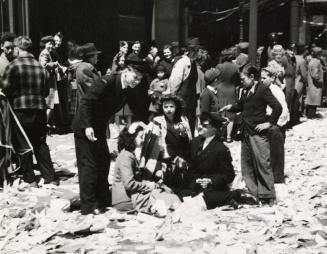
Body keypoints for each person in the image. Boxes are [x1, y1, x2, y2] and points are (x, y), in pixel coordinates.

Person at [71, 59, 147, 215]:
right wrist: (87, 126)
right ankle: (89, 206)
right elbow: (87, 102)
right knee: (89, 165)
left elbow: (136, 106)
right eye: (135, 77)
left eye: (140, 79)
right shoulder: (108, 81)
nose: (137, 82)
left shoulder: (128, 88)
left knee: (103, 161)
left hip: (98, 126)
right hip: (85, 125)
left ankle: (103, 198)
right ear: (127, 70)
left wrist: (146, 123)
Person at [220, 64, 282, 206]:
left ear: (252, 77)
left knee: (262, 163)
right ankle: (254, 193)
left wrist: (269, 123)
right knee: (247, 164)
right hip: (246, 132)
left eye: (243, 78)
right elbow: (241, 106)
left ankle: (268, 195)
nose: (241, 81)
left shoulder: (262, 89)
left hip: (257, 133)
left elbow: (277, 107)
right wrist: (231, 107)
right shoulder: (245, 90)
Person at [1, 36, 57, 187]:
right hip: (39, 109)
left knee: (23, 144)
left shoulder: (13, 66)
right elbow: (46, 91)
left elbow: (5, 89)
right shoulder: (40, 67)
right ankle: (50, 177)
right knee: (40, 143)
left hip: (20, 109)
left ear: (17, 49)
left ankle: (30, 179)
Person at [112, 122, 181, 212]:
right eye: (141, 137)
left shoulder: (129, 154)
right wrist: (148, 186)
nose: (143, 139)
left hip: (130, 196)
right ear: (132, 138)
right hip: (126, 199)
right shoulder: (126, 156)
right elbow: (129, 184)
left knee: (165, 191)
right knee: (169, 198)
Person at [179, 112, 242, 210]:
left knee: (206, 199)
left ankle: (234, 195)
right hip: (194, 186)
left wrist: (211, 181)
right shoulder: (195, 142)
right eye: (199, 124)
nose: (199, 127)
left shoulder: (220, 148)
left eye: (204, 125)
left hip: (211, 188)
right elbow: (189, 162)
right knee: (181, 195)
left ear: (214, 129)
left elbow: (229, 175)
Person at [145, 95, 192, 193]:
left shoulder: (183, 119)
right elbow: (150, 141)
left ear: (177, 106)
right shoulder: (157, 121)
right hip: (163, 157)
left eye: (171, 106)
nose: (168, 110)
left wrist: (183, 134)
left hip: (180, 155)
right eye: (165, 107)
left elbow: (188, 141)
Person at [261, 67, 289, 183]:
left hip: (276, 124)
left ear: (272, 78)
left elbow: (283, 110)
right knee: (271, 151)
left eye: (264, 78)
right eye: (261, 78)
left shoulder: (276, 91)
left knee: (277, 152)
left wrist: (276, 124)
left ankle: (277, 178)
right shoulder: (267, 89)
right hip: (272, 123)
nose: (262, 80)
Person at [168, 45, 198, 135]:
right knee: (181, 127)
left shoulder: (192, 62)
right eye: (195, 51)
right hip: (181, 101)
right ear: (188, 52)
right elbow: (174, 82)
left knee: (188, 127)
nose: (197, 53)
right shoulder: (183, 62)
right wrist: (172, 98)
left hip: (189, 101)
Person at [216, 50, 240, 142]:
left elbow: (216, 78)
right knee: (231, 114)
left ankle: (221, 135)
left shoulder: (219, 66)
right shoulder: (235, 67)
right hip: (231, 89)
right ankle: (229, 136)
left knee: (221, 112)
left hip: (220, 89)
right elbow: (238, 81)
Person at [39, 35, 59, 131]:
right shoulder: (45, 53)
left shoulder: (48, 53)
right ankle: (44, 125)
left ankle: (46, 125)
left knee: (50, 104)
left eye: (52, 44)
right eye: (49, 44)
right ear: (44, 44)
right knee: (50, 104)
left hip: (50, 80)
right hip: (48, 81)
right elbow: (43, 65)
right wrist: (54, 64)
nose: (51, 46)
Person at [305, 47, 323, 119]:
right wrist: (320, 80)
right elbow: (315, 74)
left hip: (312, 85)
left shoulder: (312, 61)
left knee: (311, 101)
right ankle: (311, 116)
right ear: (318, 54)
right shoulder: (316, 62)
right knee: (313, 102)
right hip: (315, 85)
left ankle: (310, 115)